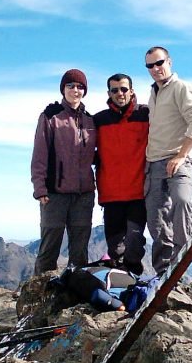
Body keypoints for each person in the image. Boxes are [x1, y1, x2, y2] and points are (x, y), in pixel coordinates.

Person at [144, 46, 192, 275]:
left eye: (159, 63)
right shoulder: (153, 93)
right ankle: (162, 273)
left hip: (178, 160)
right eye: (150, 65)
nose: (155, 69)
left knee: (182, 201)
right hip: (154, 163)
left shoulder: (180, 88)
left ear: (169, 61)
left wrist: (181, 155)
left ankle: (181, 266)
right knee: (156, 220)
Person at [31, 69, 97, 275]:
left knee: (79, 250)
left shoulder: (90, 120)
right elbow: (40, 154)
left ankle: (75, 295)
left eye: (80, 87)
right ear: (63, 89)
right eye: (70, 86)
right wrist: (40, 188)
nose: (75, 90)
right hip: (54, 193)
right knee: (50, 247)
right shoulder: (51, 116)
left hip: (83, 194)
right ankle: (38, 298)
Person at [93, 73, 149, 275]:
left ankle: (134, 280)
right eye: (115, 90)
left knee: (134, 244)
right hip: (111, 194)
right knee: (115, 248)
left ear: (132, 91)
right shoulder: (98, 120)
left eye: (124, 89)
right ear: (109, 93)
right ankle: (119, 286)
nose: (120, 93)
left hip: (138, 192)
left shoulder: (146, 115)